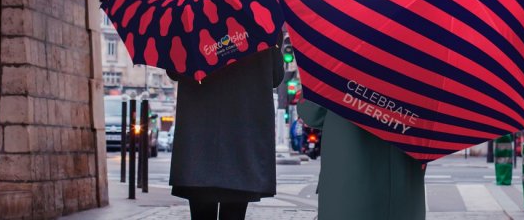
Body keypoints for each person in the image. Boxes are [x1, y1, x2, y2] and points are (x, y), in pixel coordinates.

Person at [166, 36, 284, 220]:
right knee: (235, 211)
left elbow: (173, 71)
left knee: (201, 212)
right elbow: (276, 76)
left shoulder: (191, 17)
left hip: (198, 138)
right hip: (242, 137)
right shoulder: (263, 21)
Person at [298, 99, 426, 220]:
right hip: (406, 192)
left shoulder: (336, 75)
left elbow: (312, 114)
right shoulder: (424, 77)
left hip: (347, 192)